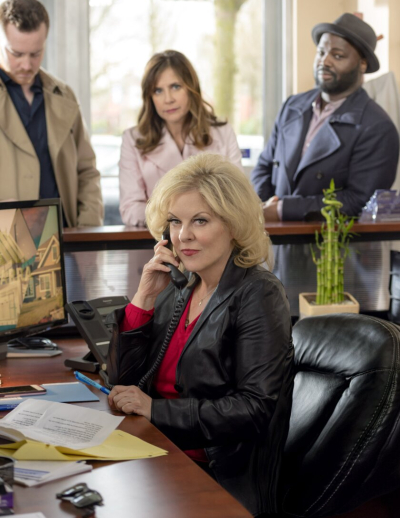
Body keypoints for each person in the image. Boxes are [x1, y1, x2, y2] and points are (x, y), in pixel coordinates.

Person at [107, 153, 294, 518]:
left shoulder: (259, 293)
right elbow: (122, 383)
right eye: (175, 221)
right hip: (156, 451)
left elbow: (254, 409)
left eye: (200, 220)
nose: (183, 236)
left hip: (214, 474)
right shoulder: (179, 287)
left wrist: (154, 409)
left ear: (234, 225)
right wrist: (144, 296)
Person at [251, 13, 399, 221]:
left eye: (337, 56)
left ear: (362, 65)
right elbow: (264, 166)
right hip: (270, 235)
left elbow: (358, 200)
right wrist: (262, 206)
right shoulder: (292, 106)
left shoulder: (377, 126)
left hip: (328, 240)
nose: (325, 61)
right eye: (321, 52)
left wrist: (283, 210)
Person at [0, 0, 103, 226]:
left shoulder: (64, 96)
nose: (27, 65)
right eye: (16, 53)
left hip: (65, 235)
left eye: (35, 53)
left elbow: (87, 171)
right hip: (5, 239)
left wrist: (87, 229)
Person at [119, 50, 243, 226]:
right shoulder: (133, 140)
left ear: (191, 88)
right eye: (158, 91)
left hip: (214, 239)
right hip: (158, 238)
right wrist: (184, 218)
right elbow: (131, 209)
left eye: (175, 87)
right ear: (150, 97)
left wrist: (171, 214)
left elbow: (238, 199)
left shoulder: (223, 133)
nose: (168, 99)